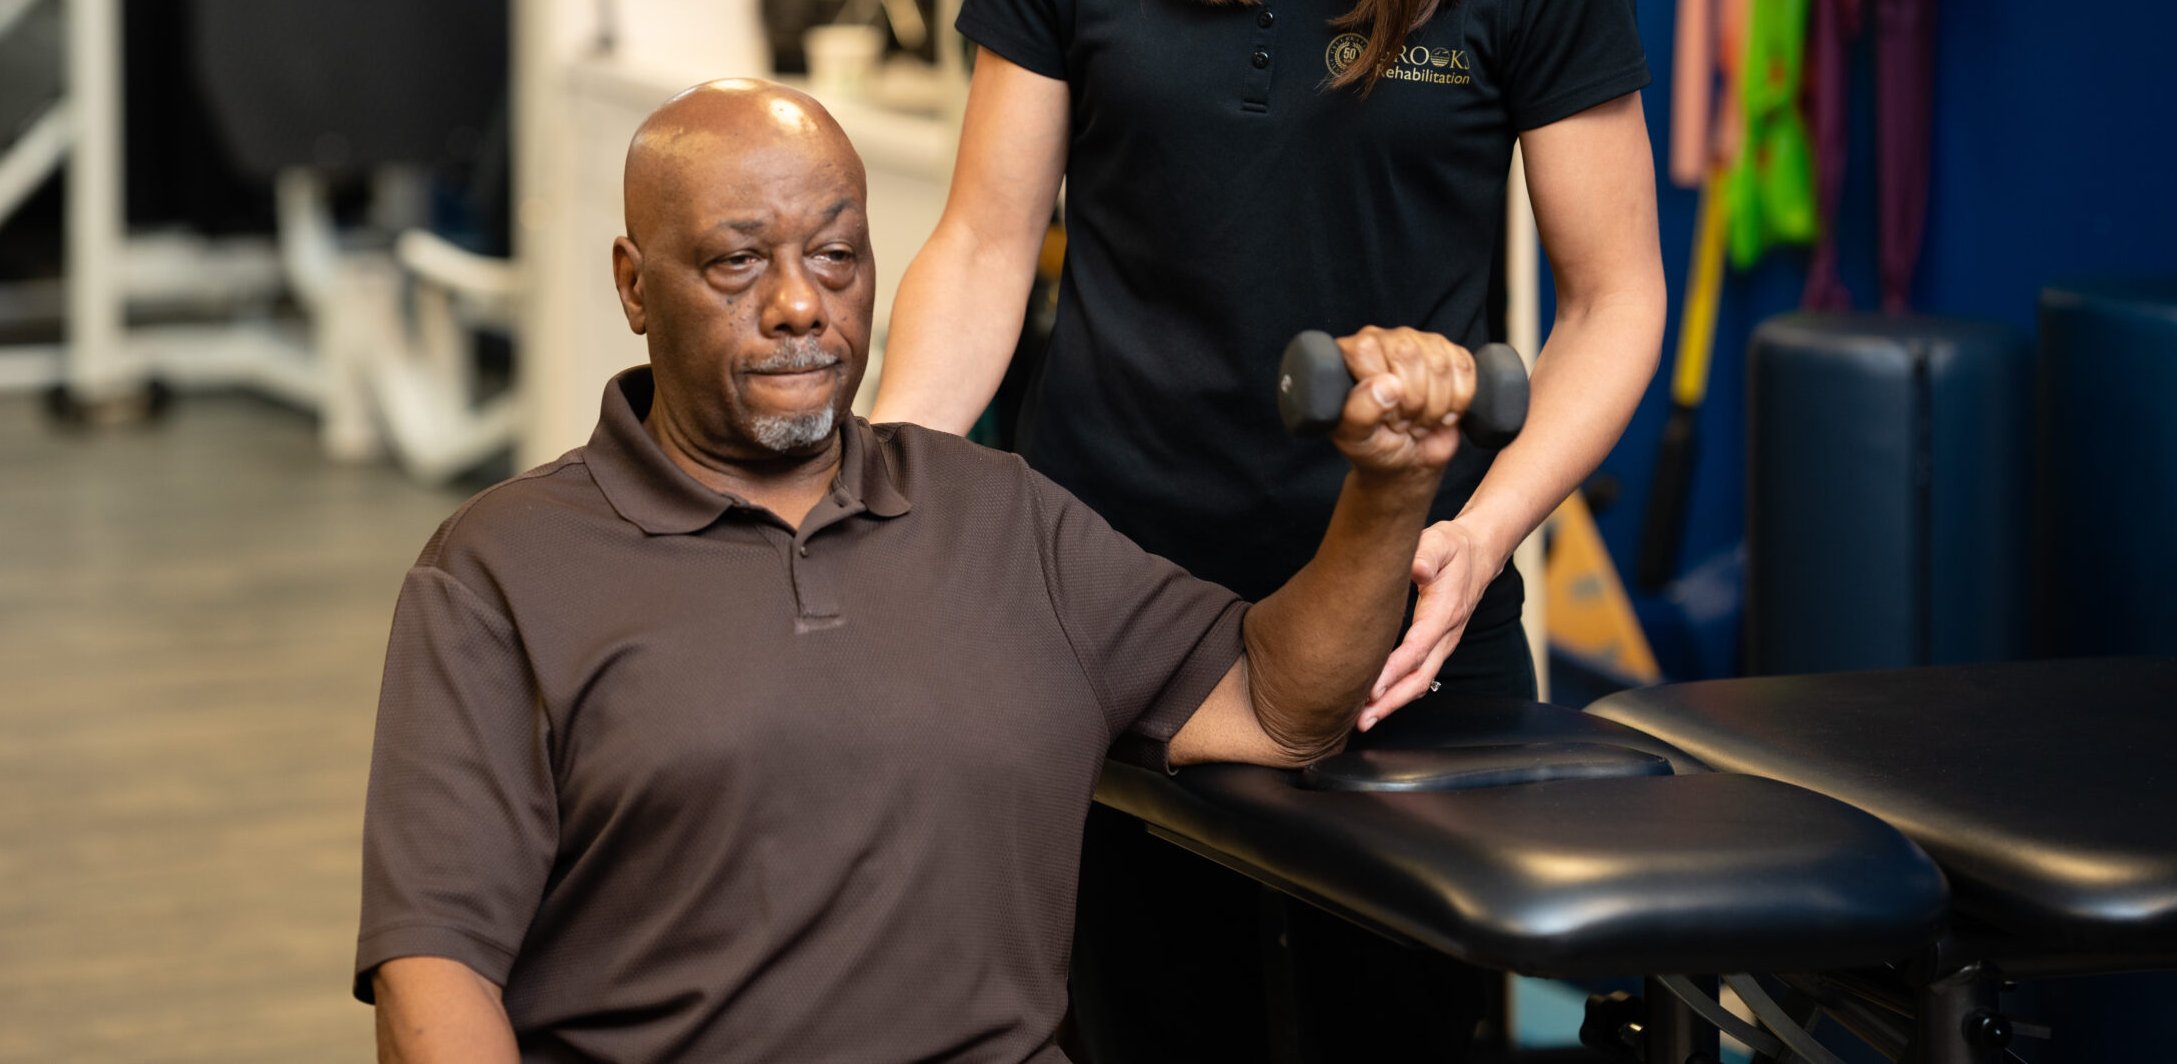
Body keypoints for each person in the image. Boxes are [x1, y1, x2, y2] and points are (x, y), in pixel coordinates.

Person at [870, 0, 1665, 1059]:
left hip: (1401, 607)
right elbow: (981, 242)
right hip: (1104, 595)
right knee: (1134, 1019)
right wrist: (881, 496)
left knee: (1391, 1034)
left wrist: (1483, 527)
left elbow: (1615, 298)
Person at [358, 79, 1487, 1063]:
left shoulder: (1001, 515)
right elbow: (434, 971)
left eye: (835, 257)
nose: (799, 304)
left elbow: (1283, 709)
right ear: (634, 284)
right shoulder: (501, 568)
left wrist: (1390, 489)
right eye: (737, 261)